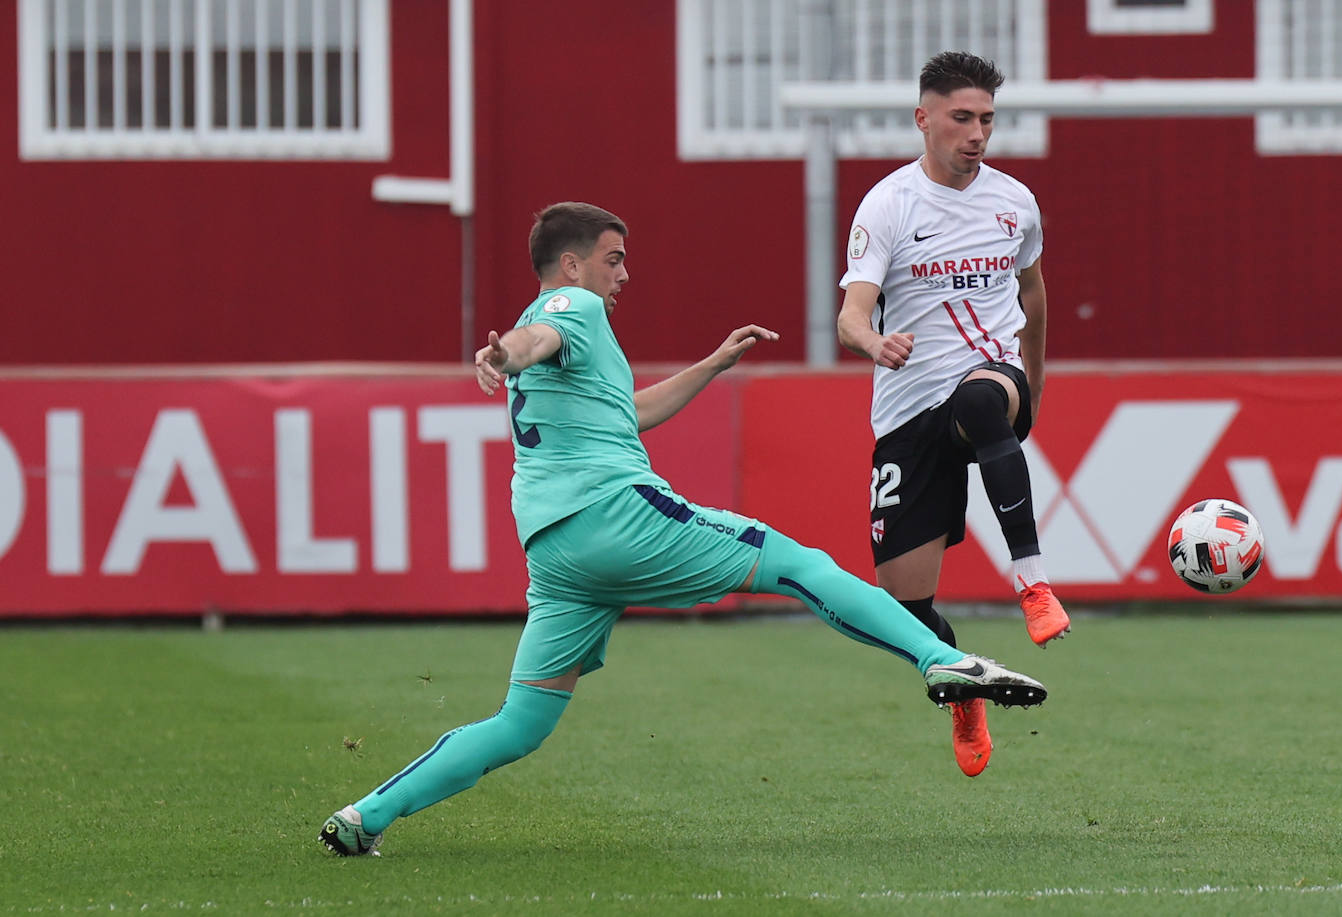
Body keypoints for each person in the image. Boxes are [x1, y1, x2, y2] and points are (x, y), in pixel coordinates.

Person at [318, 201, 1048, 856]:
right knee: (797, 562)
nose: (625, 273)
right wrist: (503, 352)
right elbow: (533, 337)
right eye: (615, 257)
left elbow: (627, 413)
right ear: (571, 264)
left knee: (521, 723)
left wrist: (713, 363)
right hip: (617, 516)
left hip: (557, 554)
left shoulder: (571, 337)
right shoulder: (572, 305)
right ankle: (939, 659)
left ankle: (365, 814)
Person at [836, 51, 1070, 779]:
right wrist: (877, 341)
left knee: (979, 397)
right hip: (908, 409)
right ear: (924, 119)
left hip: (986, 380)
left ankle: (1032, 584)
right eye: (962, 118)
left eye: (987, 120)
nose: (977, 133)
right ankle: (961, 684)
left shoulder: (1014, 201)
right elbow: (850, 315)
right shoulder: (889, 205)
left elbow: (1033, 295)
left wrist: (1028, 384)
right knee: (904, 610)